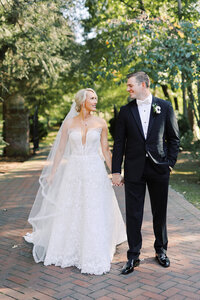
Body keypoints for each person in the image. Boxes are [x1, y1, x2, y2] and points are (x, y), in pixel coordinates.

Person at [24, 88, 126, 275]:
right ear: (82, 101)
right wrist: (52, 173)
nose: (95, 101)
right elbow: (61, 150)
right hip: (73, 171)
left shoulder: (101, 123)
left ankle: (94, 246)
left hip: (95, 171)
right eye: (92, 98)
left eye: (96, 97)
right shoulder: (69, 123)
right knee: (71, 206)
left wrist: (115, 173)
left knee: (94, 207)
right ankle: (67, 247)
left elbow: (105, 151)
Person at [112, 72, 180, 275]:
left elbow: (174, 138)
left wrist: (170, 164)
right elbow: (118, 144)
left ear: (143, 84)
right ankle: (133, 256)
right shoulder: (125, 111)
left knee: (160, 212)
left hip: (159, 168)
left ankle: (161, 251)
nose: (128, 89)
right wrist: (116, 170)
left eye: (130, 85)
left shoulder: (165, 107)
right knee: (133, 214)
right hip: (134, 169)